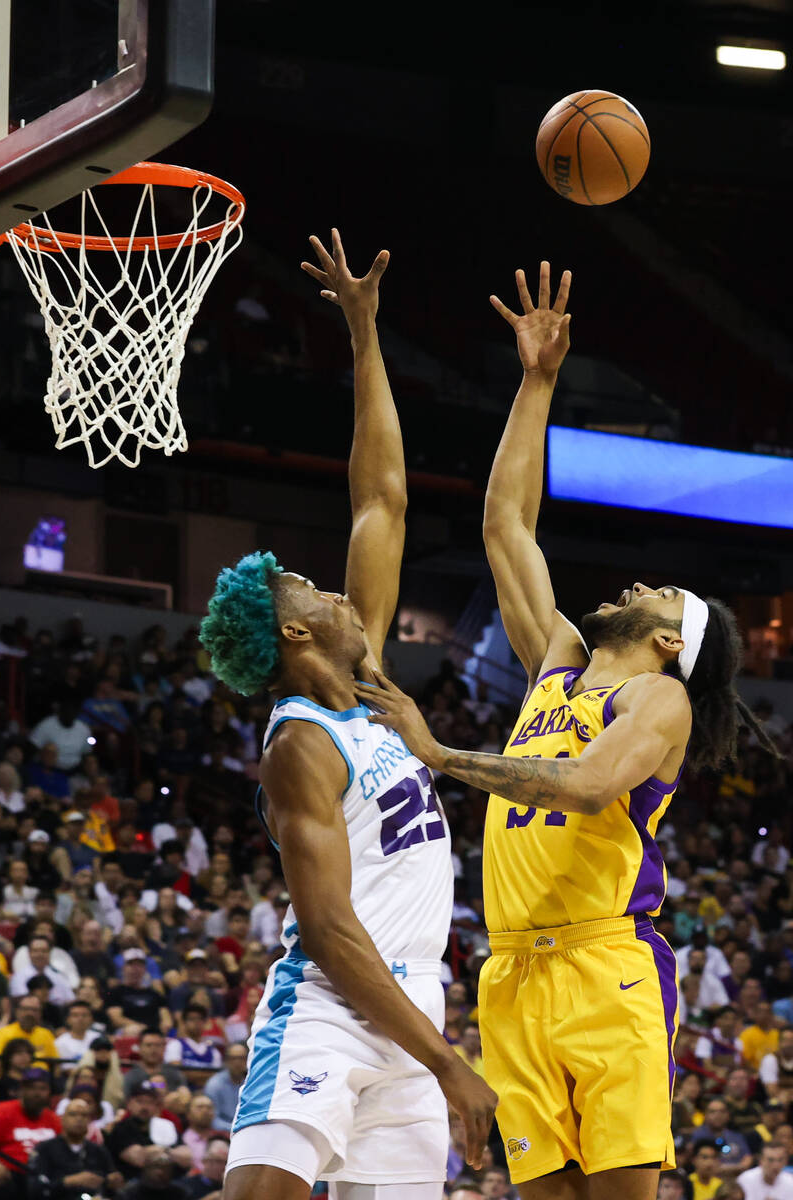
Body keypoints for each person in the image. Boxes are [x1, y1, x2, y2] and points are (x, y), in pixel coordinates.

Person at [354, 263, 776, 1199]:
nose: (634, 584)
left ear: (671, 641)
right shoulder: (561, 661)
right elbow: (508, 524)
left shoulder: (657, 704)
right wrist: (536, 382)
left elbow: (586, 788)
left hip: (604, 967)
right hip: (511, 972)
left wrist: (440, 755)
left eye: (657, 593)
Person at [202, 230, 494, 1200]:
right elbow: (327, 929)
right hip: (334, 1006)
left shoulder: (367, 700)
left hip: (415, 1007)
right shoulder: (299, 744)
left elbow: (381, 497)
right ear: (294, 637)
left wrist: (364, 335)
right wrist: (448, 1062)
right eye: (310, 592)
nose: (333, 592)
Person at [26, 1095, 122, 1200]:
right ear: (62, 1119)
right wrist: (67, 1181)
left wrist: (112, 1182)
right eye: (73, 1114)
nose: (79, 1119)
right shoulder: (45, 1149)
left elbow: (112, 1182)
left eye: (84, 1115)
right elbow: (34, 1188)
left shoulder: (99, 1151)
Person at [0, 1069, 61, 1196]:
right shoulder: (2, 1112)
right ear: (21, 1090)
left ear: (49, 1092)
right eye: (31, 1088)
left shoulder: (54, 1120)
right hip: (11, 1177)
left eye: (42, 1089)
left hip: (45, 1177)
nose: (37, 1093)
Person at [0, 995, 58, 1070]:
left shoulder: (46, 1034)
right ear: (17, 1011)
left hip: (42, 1078)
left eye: (35, 1010)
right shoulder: (3, 1032)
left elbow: (56, 1062)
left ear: (40, 1014)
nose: (30, 1013)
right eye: (26, 1009)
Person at [114, 1146, 187, 1200]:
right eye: (155, 1166)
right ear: (145, 1167)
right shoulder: (127, 1195)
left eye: (165, 1168)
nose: (160, 1172)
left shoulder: (180, 1194)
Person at [203, 1043, 246, 1131]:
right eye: (233, 1058)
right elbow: (213, 1119)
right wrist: (236, 1129)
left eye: (241, 1058)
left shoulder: (250, 1082)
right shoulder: (214, 1084)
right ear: (226, 1061)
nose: (237, 1062)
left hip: (245, 1128)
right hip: (222, 1132)